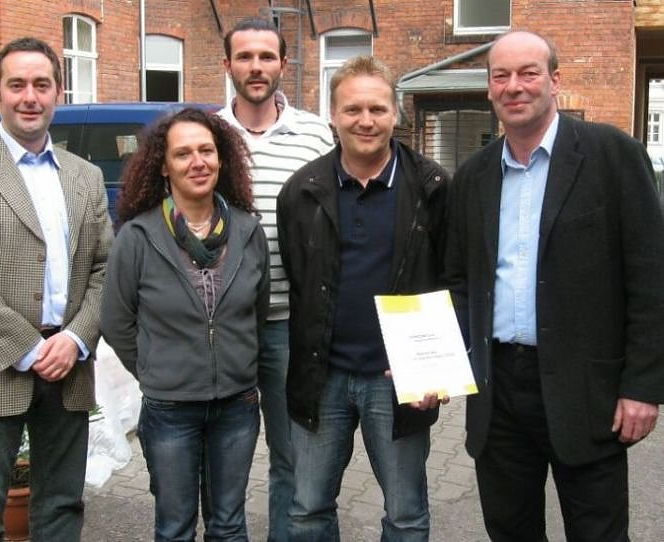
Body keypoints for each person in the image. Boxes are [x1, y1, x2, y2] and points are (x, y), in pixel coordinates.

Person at [443, 30, 664, 541]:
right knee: (511, 530)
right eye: (501, 76)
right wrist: (438, 362)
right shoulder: (473, 176)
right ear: (489, 88)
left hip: (587, 391)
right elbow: (459, 282)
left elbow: (650, 277)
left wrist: (642, 387)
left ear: (555, 80)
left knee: (598, 533)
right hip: (499, 392)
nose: (514, 86)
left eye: (528, 73)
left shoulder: (613, 155)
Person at [0, 37, 114, 541]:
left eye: (42, 85)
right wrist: (29, 348)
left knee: (61, 511)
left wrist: (75, 339)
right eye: (17, 85)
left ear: (58, 93)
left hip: (68, 368)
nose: (30, 97)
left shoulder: (85, 177)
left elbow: (105, 269)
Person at [277, 55, 451, 541]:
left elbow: (453, 279)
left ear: (396, 113)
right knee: (307, 511)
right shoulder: (301, 191)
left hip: (399, 380)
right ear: (333, 115)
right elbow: (297, 275)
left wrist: (438, 368)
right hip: (322, 375)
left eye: (377, 108)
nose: (366, 120)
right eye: (353, 109)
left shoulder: (433, 188)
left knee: (406, 515)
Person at [100, 108, 270, 541]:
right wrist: (156, 368)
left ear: (221, 159)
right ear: (163, 165)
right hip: (170, 408)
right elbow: (117, 321)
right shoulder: (138, 237)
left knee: (229, 525)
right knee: (175, 528)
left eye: (206, 151)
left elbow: (257, 311)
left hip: (236, 404)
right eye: (183, 153)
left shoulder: (248, 231)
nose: (197, 162)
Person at [218, 16, 334, 541]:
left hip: (292, 325)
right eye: (245, 56)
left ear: (283, 64)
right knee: (225, 456)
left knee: (293, 454)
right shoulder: (209, 135)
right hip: (226, 326)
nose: (256, 66)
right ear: (228, 64)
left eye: (266, 56)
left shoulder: (315, 134)